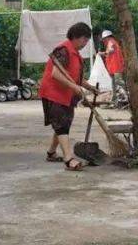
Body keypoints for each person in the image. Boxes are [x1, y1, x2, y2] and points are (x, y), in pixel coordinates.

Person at [39, 22, 97, 171]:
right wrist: (74, 87)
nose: (85, 43)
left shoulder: (74, 53)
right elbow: (56, 74)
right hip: (54, 93)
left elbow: (75, 77)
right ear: (76, 37)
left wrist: (89, 88)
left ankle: (51, 153)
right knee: (62, 125)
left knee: (62, 125)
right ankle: (68, 159)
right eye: (84, 40)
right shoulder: (63, 51)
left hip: (65, 94)